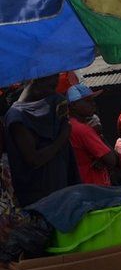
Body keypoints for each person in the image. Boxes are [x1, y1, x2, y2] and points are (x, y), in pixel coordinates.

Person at [4, 74, 80, 206]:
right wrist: (62, 137)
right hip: (39, 201)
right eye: (51, 86)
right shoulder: (17, 116)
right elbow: (34, 159)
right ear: (36, 80)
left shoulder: (52, 104)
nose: (53, 90)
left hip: (63, 192)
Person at [67, 84, 117, 186]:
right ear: (73, 105)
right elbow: (112, 160)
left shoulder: (68, 125)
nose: (93, 104)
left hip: (79, 184)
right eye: (87, 101)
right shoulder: (83, 130)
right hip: (94, 187)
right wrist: (100, 136)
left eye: (92, 100)